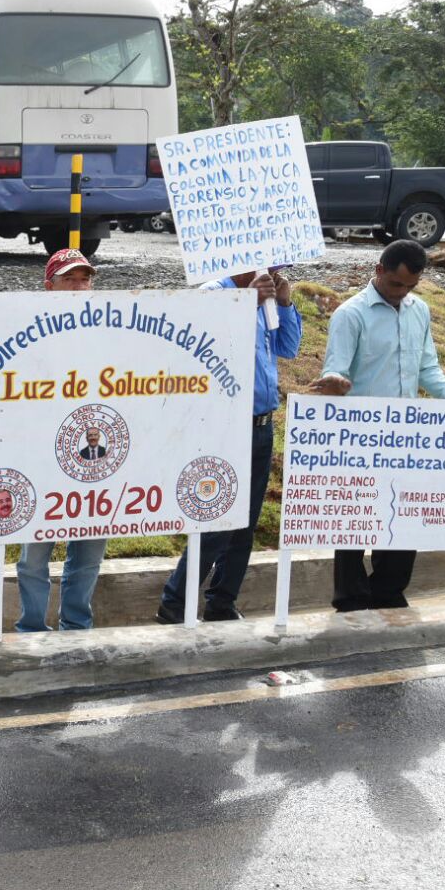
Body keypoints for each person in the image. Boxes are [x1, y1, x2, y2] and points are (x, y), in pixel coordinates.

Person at [308, 240, 445, 610]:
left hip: (408, 434)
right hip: (361, 435)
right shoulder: (351, 314)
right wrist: (337, 383)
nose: (403, 293)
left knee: (405, 514)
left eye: (411, 287)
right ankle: (350, 596)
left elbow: (429, 372)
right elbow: (334, 369)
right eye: (397, 285)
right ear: (379, 270)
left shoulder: (419, 311)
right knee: (356, 515)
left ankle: (388, 592)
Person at [155, 267, 301, 624]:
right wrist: (246, 302)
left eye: (281, 265)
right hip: (222, 426)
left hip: (262, 424)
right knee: (217, 520)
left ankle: (222, 601)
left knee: (245, 524)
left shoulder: (267, 300)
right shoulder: (212, 293)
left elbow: (289, 348)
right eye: (270, 262)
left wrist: (283, 303)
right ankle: (174, 604)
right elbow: (201, 348)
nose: (276, 270)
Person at [16, 249, 110, 632]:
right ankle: (32, 628)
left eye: (84, 279)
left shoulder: (111, 334)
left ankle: (76, 626)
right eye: (69, 279)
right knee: (34, 557)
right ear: (48, 286)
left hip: (96, 461)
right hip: (40, 462)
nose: (78, 286)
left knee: (88, 555)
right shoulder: (23, 337)